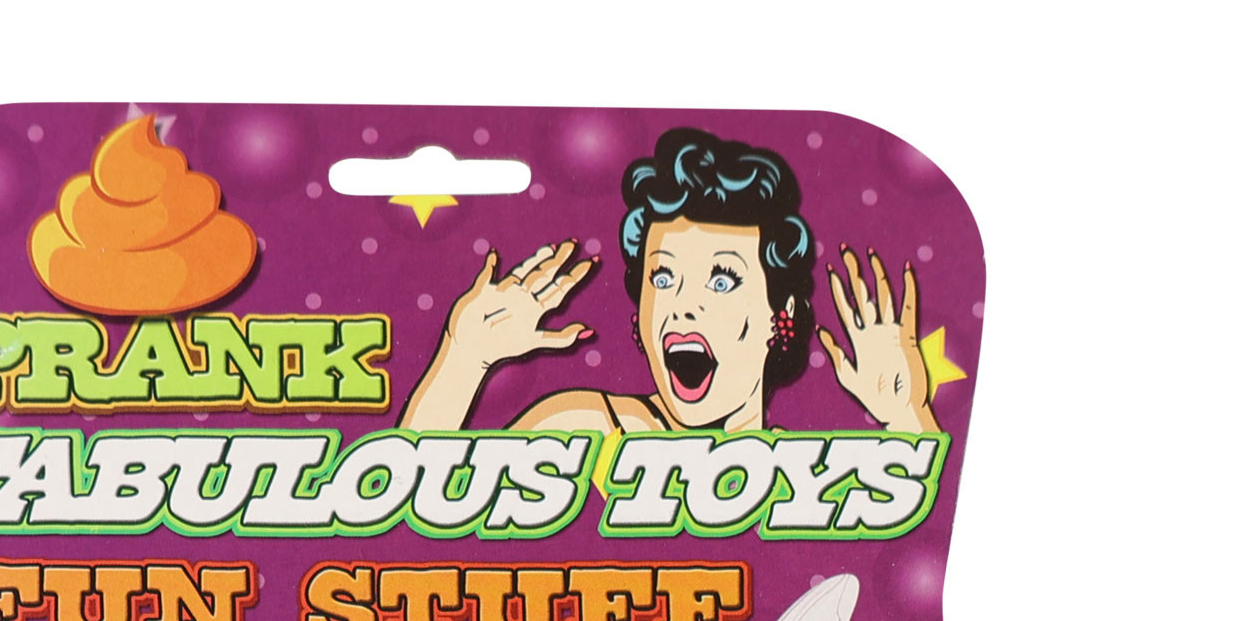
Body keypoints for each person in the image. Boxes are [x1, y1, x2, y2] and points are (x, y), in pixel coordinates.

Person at [401, 125, 941, 437]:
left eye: (722, 281)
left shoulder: (808, 477)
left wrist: (908, 420)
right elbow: (407, 530)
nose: (682, 306)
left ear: (781, 316)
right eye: (663, 277)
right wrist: (462, 360)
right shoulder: (587, 429)